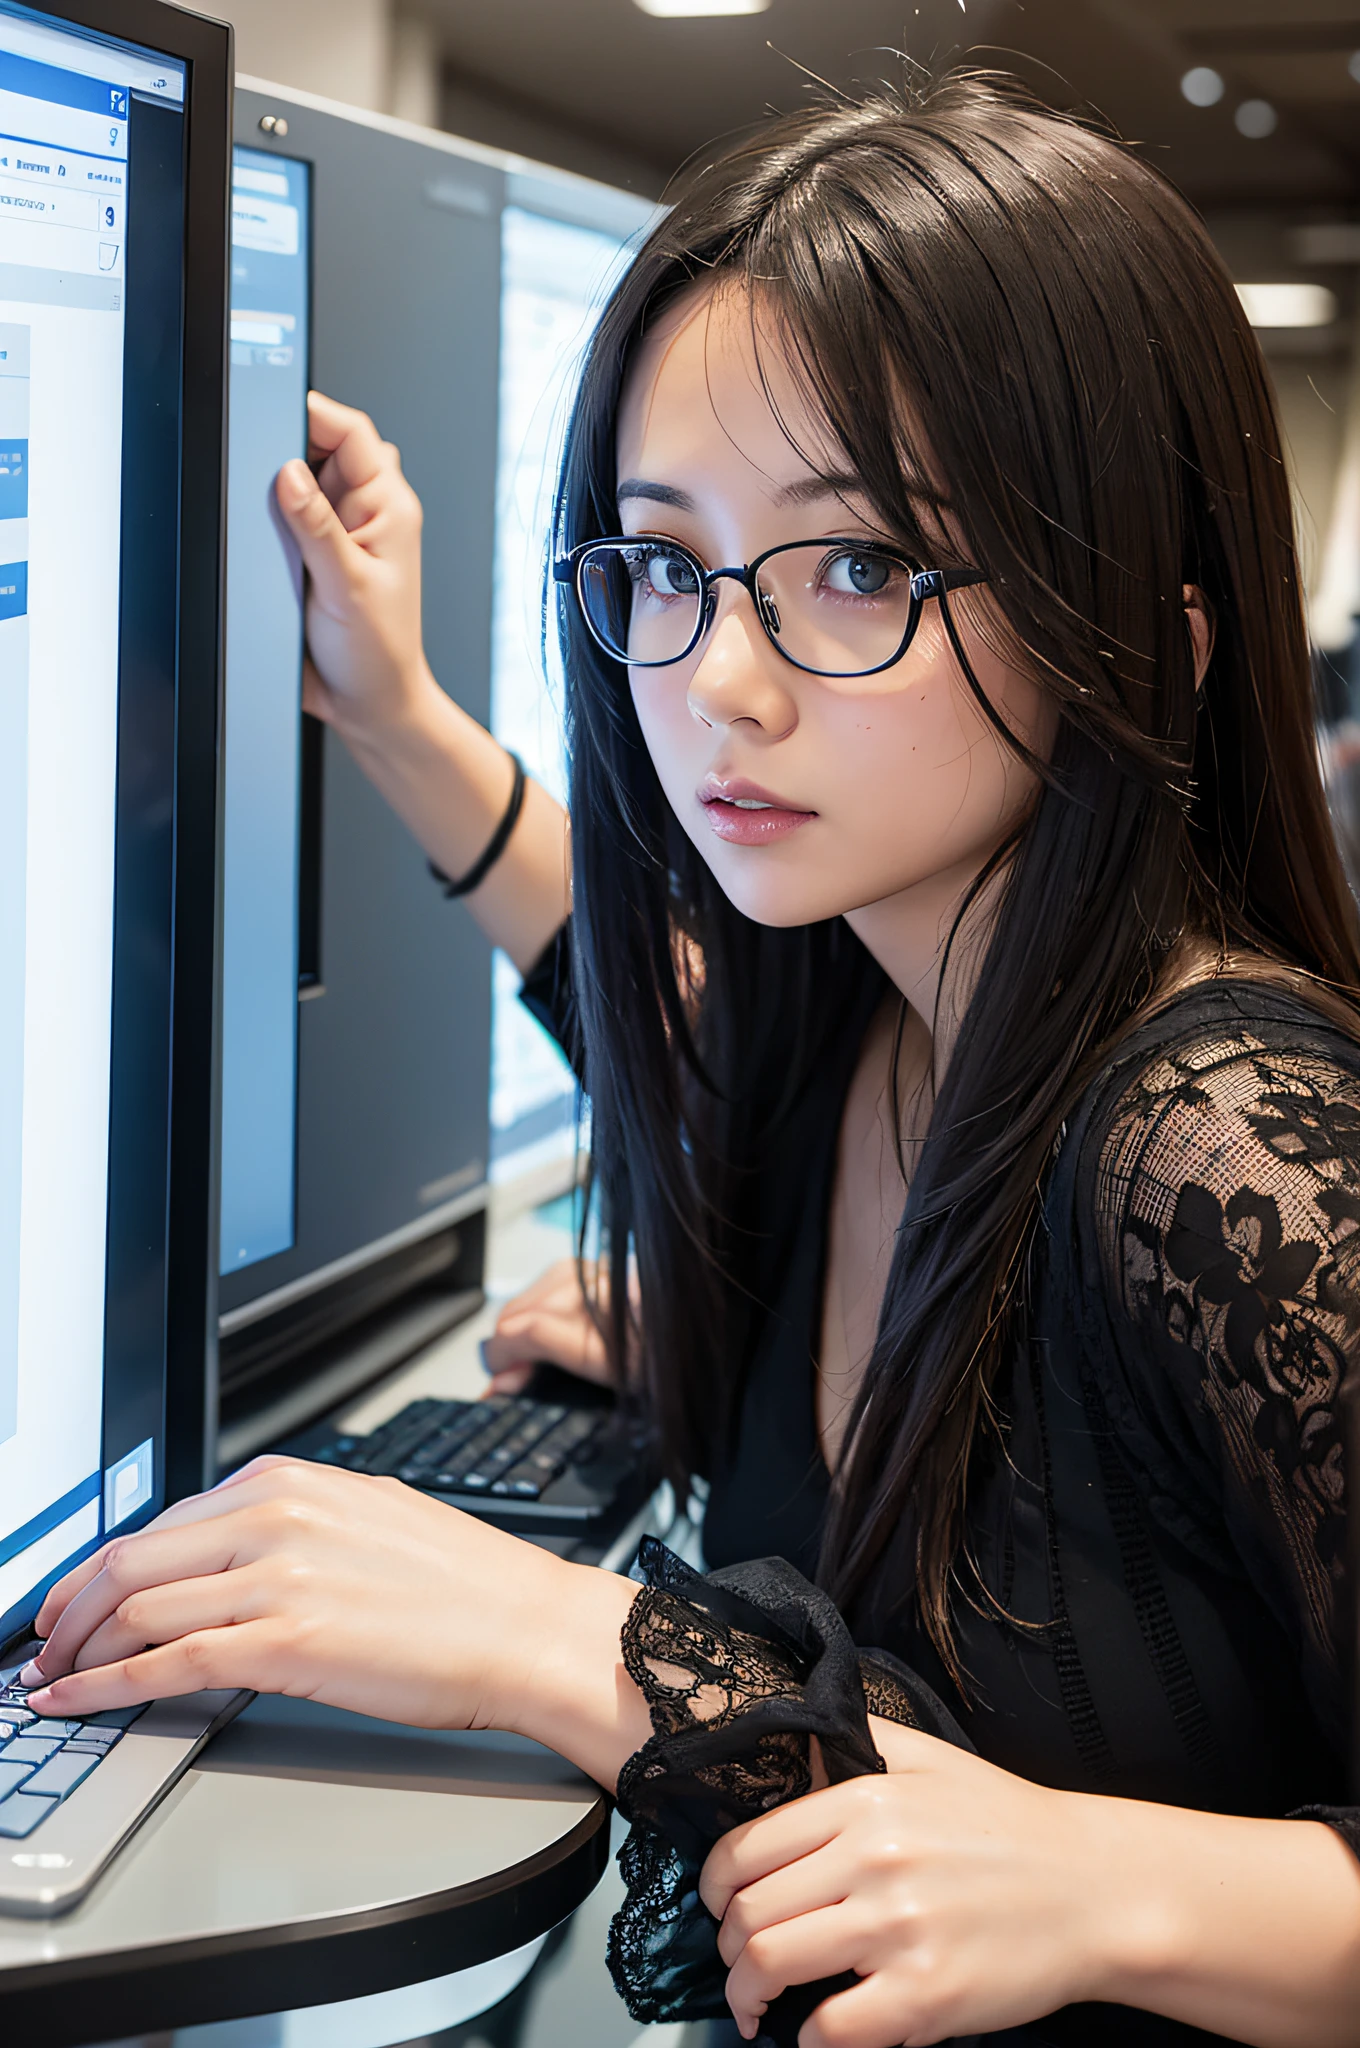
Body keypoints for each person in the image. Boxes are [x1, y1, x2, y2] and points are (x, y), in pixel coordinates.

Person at [21, 72, 1360, 2048]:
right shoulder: (871, 1018)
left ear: (1141, 639)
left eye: (861, 570)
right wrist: (387, 712)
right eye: (663, 563)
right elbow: (612, 967)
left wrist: (573, 1645)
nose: (714, 684)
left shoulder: (1225, 1150)